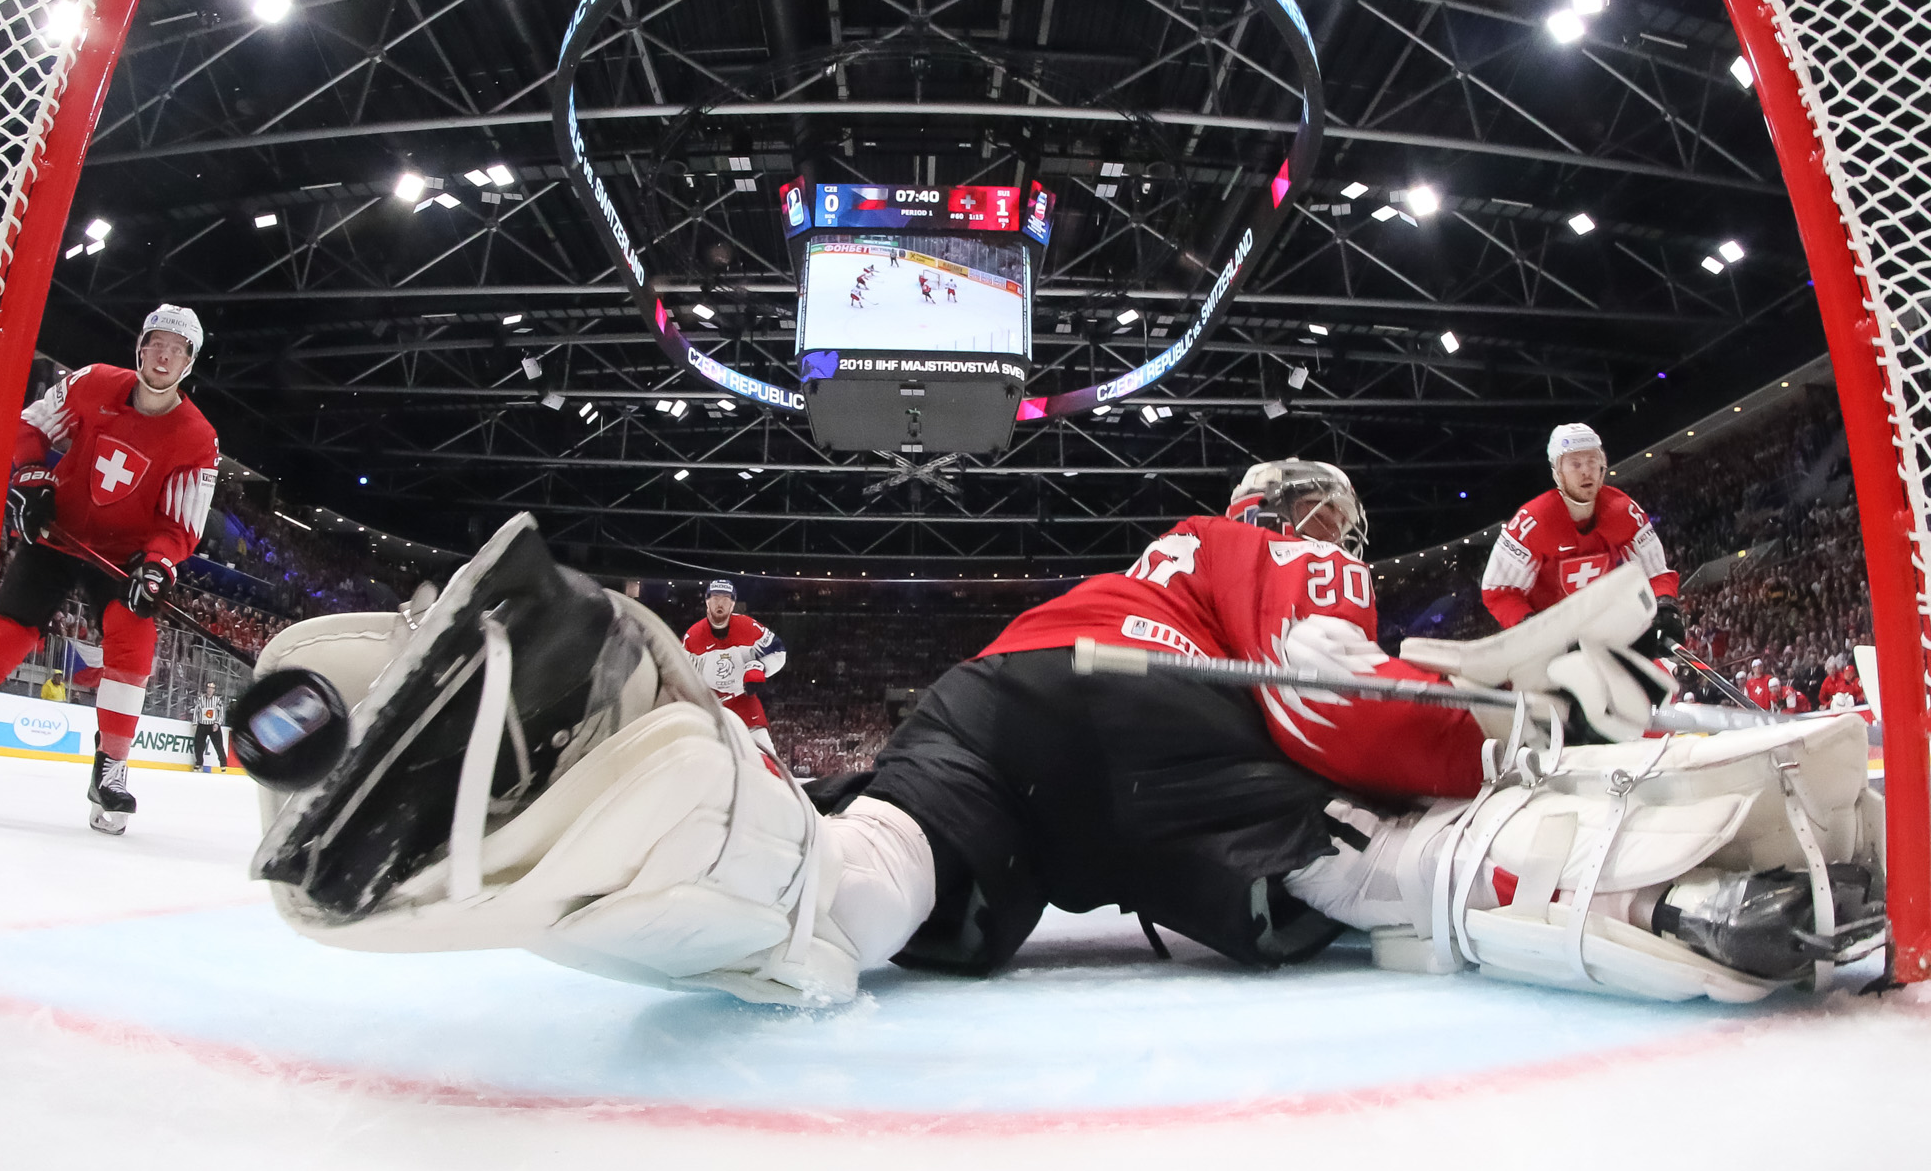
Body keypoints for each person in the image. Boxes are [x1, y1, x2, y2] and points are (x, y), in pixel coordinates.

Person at [244, 466, 1881, 1013]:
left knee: (857, 880)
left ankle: (628, 792)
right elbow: (1326, 696)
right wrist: (1487, 755)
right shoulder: (1281, 537)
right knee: (1396, 873)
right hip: (1187, 730)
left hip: (1003, 698)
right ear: (1300, 511)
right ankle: (1673, 875)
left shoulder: (1140, 559)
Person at [0, 305, 218, 834]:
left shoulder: (197, 438)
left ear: (189, 362)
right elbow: (31, 426)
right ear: (140, 347)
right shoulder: (92, 383)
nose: (164, 355)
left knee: (134, 639)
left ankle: (111, 767)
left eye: (177, 349)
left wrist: (157, 569)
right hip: (58, 532)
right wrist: (32, 478)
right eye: (157, 342)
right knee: (5, 634)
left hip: (121, 557)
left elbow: (179, 525)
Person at [1481, 424, 1682, 647]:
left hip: (1604, 630)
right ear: (1558, 473)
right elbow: (1498, 592)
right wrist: (1534, 630)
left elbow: (1656, 573)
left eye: (1592, 462)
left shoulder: (1623, 511)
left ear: (1602, 467)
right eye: (1575, 464)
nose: (1586, 471)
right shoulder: (1533, 522)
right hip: (1549, 639)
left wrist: (1665, 606)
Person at [681, 578, 786, 756]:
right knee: (700, 756)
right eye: (715, 598)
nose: (720, 603)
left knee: (766, 755)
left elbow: (778, 652)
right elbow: (682, 673)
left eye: (725, 598)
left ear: (733, 604)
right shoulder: (693, 637)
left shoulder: (748, 627)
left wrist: (758, 667)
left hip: (742, 699)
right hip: (710, 704)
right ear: (707, 601)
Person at [193, 681, 228, 772]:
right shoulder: (201, 699)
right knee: (198, 745)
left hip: (213, 726)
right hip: (202, 725)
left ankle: (223, 765)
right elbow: (197, 711)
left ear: (214, 690)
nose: (209, 690)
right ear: (206, 689)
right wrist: (195, 723)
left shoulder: (217, 700)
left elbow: (221, 712)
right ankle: (199, 763)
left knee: (219, 746)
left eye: (211, 689)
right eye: (208, 688)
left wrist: (217, 723)